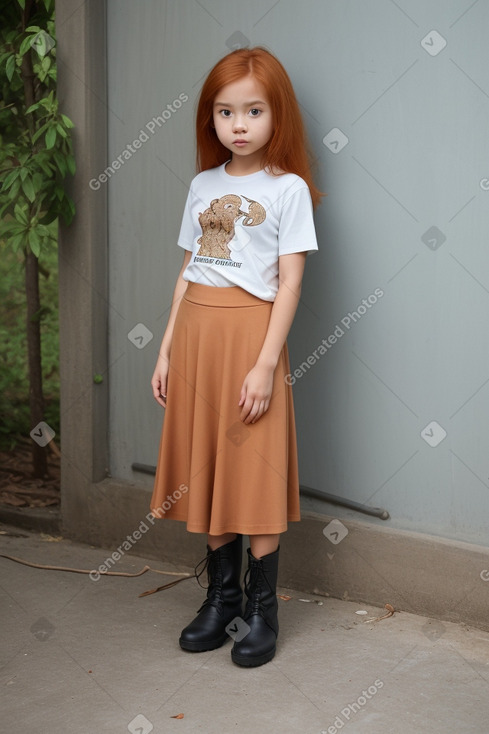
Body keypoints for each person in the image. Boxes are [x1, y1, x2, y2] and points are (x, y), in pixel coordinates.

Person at [150, 46, 323, 667]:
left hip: (252, 338)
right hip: (196, 334)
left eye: (253, 110)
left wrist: (265, 364)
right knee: (210, 468)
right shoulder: (203, 184)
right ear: (211, 118)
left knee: (253, 471)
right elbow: (189, 268)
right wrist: (167, 349)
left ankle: (261, 610)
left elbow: (291, 281)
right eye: (225, 112)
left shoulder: (289, 189)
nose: (239, 124)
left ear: (278, 115)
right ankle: (221, 598)